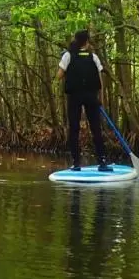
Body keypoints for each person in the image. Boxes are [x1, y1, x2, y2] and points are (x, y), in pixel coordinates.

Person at [55, 30, 112, 172]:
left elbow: (59, 76)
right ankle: (102, 161)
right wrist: (101, 99)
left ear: (76, 40)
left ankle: (76, 163)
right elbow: (100, 80)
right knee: (96, 128)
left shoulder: (68, 55)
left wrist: (66, 66)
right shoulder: (94, 57)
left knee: (74, 129)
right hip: (91, 96)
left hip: (74, 96)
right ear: (87, 42)